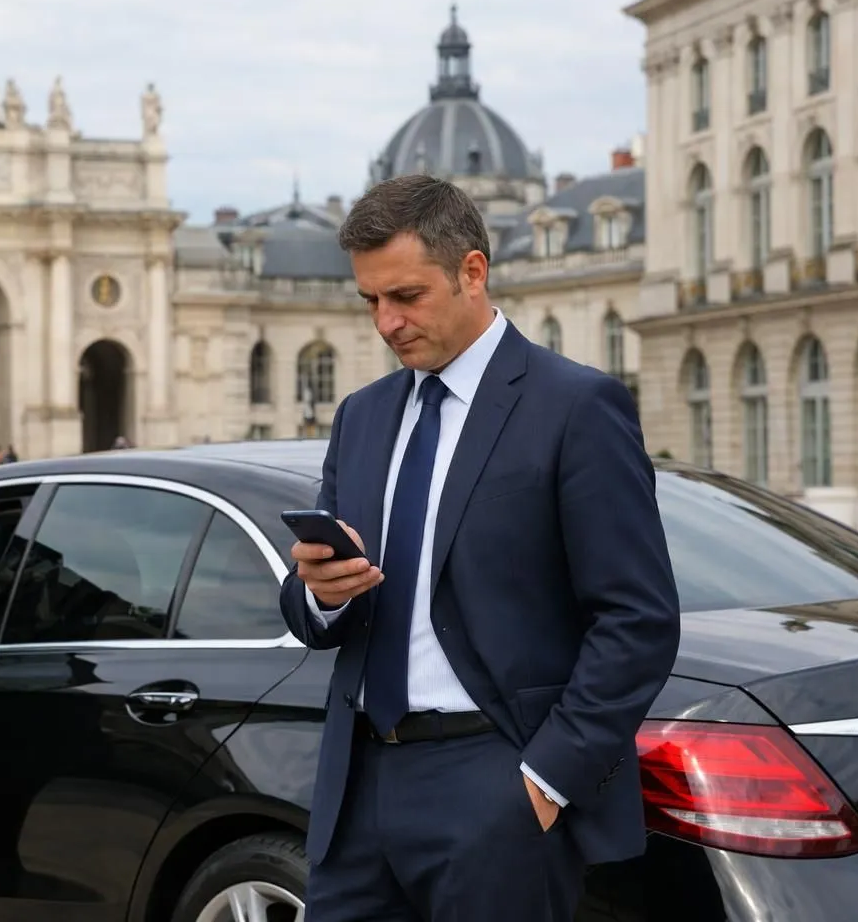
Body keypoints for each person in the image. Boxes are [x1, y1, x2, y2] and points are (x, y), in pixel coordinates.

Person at [278, 175, 680, 921]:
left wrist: (544, 781)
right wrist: (317, 593)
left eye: (405, 296)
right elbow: (309, 605)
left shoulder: (575, 406)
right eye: (370, 302)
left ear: (472, 271)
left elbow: (638, 619)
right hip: (357, 786)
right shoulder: (362, 416)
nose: (386, 324)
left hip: (496, 786)